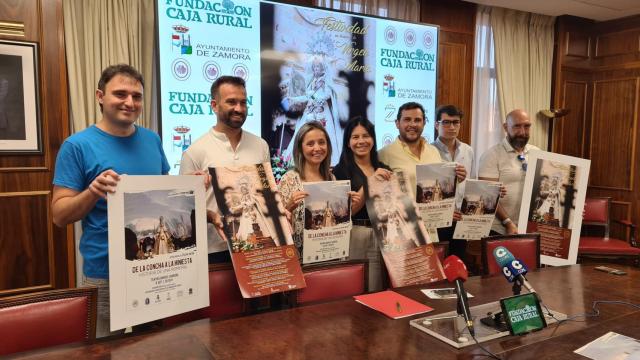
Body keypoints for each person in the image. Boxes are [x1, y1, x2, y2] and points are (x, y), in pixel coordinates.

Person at [51, 64, 170, 338]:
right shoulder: (77, 146)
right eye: (120, 94)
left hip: (151, 267)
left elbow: (163, 188)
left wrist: (193, 185)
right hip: (105, 272)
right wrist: (92, 191)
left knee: (154, 347)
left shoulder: (152, 140)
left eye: (137, 96)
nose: (129, 102)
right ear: (100, 96)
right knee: (103, 348)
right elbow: (59, 215)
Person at [179, 76, 270, 263]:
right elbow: (185, 209)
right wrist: (212, 216)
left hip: (256, 246)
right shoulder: (195, 152)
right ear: (214, 105)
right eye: (231, 102)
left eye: (243, 102)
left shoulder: (261, 146)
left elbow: (266, 194)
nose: (239, 108)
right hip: (213, 252)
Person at [333, 116, 391, 291]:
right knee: (359, 287)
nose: (361, 141)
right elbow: (347, 212)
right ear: (348, 142)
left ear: (373, 139)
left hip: (386, 234)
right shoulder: (340, 170)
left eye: (365, 136)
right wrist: (370, 182)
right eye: (355, 137)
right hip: (356, 233)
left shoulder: (383, 167)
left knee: (383, 287)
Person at [278, 121, 344, 255]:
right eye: (310, 144)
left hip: (327, 254)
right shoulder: (289, 180)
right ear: (300, 148)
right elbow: (277, 226)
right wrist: (290, 206)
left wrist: (345, 204)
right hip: (297, 258)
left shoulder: (332, 179)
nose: (317, 148)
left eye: (321, 142)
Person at [379, 102, 466, 198]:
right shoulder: (383, 155)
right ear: (397, 123)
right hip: (403, 212)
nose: (412, 124)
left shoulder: (433, 151)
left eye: (417, 120)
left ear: (424, 123)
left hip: (433, 212)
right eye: (407, 120)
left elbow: (440, 186)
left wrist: (456, 178)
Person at [478, 109, 540, 234]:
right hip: (499, 229)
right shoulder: (491, 155)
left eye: (527, 126)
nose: (522, 132)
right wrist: (508, 222)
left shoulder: (537, 153)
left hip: (530, 229)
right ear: (506, 127)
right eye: (517, 126)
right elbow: (487, 195)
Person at [431, 104, 475, 260]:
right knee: (438, 265)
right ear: (437, 125)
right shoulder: (429, 151)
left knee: (458, 264)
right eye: (446, 122)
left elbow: (471, 184)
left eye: (455, 122)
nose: (451, 127)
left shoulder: (468, 150)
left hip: (461, 219)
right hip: (437, 220)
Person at [283, 56, 342, 165]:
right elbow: (307, 97)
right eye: (314, 68)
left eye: (317, 68)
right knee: (304, 134)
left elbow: (327, 95)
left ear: (323, 69)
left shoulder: (324, 81)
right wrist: (293, 98)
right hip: (310, 112)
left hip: (321, 112)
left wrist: (315, 99)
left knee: (323, 134)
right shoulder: (312, 81)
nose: (315, 70)